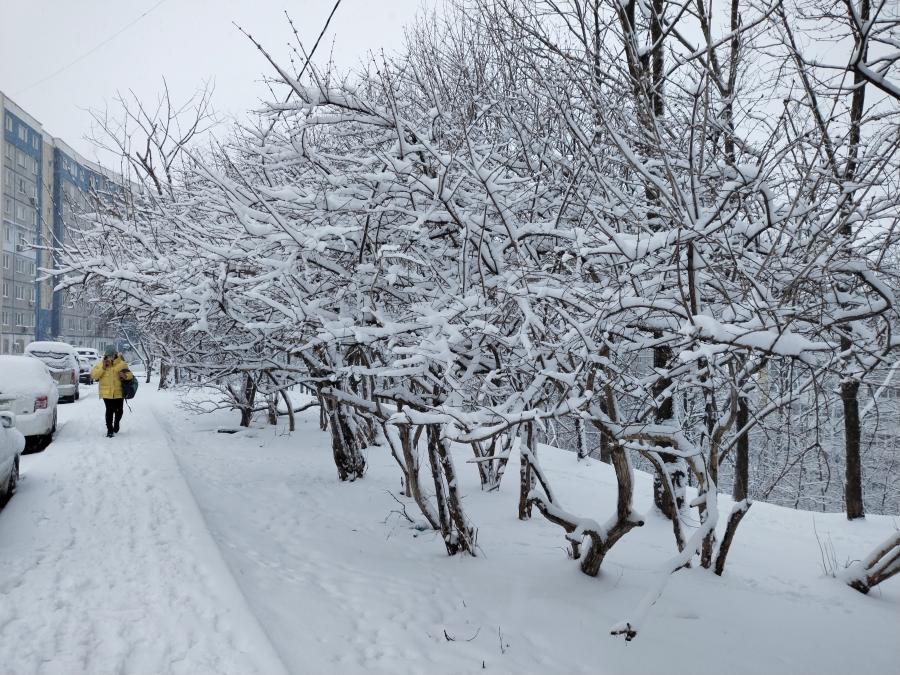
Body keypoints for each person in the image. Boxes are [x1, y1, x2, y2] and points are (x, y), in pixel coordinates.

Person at [91, 346, 134, 438]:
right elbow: (94, 376)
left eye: (111, 355)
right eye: (107, 356)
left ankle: (117, 422)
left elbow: (130, 375)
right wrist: (103, 368)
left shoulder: (122, 364)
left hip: (119, 392)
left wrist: (125, 376)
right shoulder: (100, 364)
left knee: (119, 410)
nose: (109, 358)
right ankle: (110, 430)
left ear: (115, 355)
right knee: (109, 411)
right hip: (106, 392)